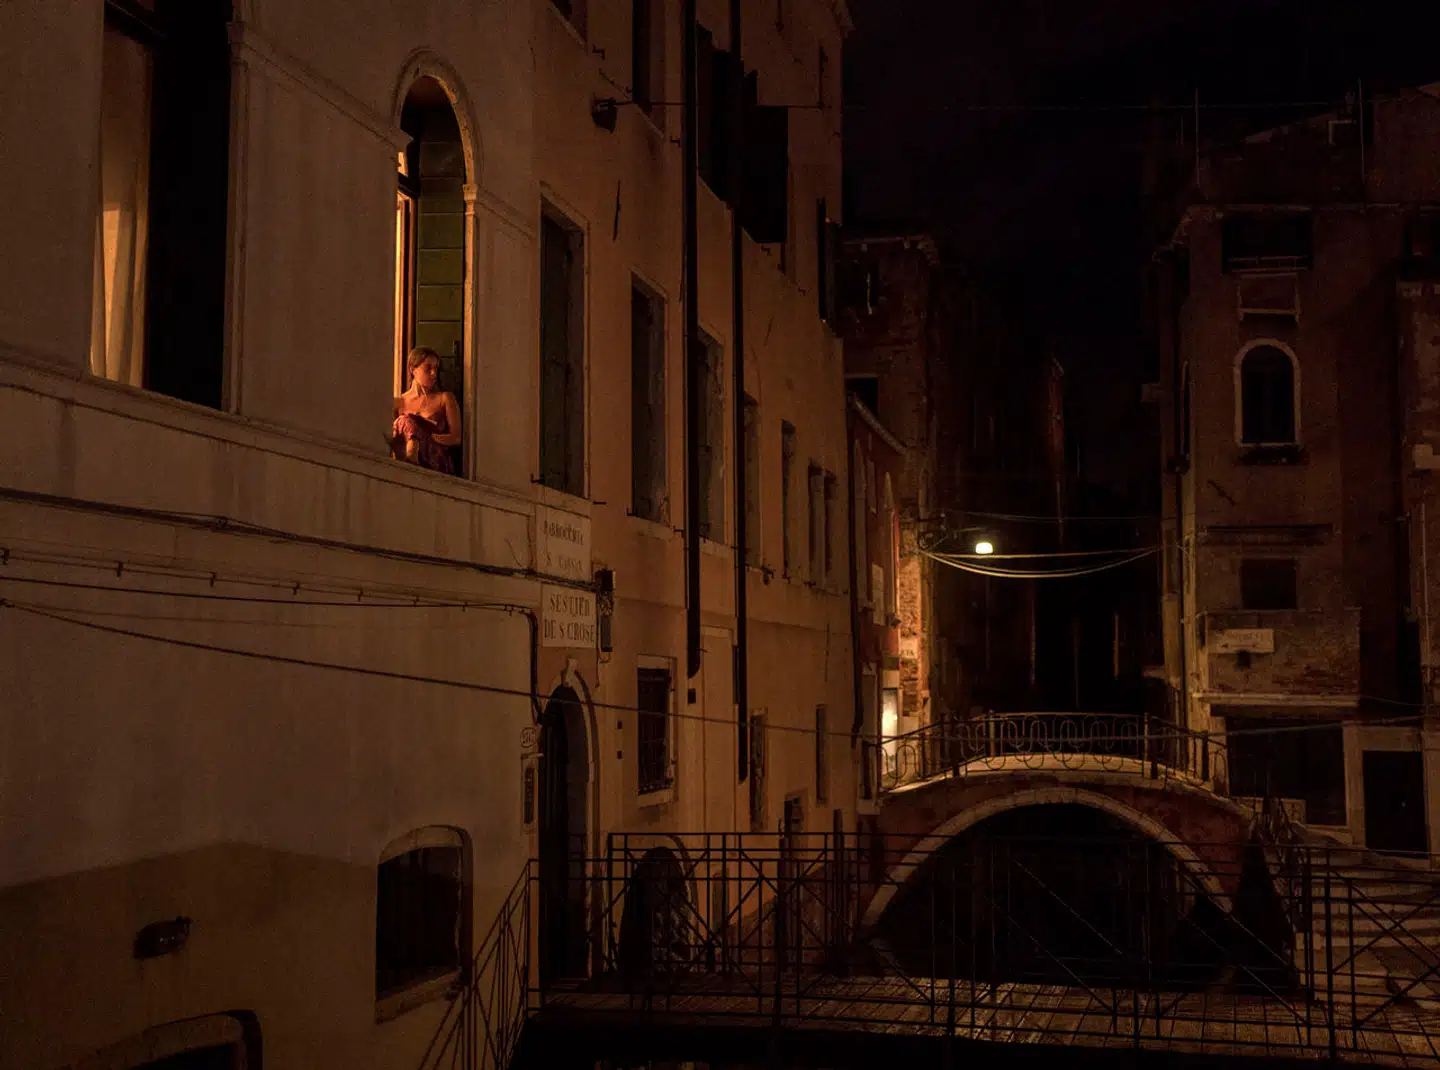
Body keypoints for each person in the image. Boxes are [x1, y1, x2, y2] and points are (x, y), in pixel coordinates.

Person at [391, 346, 461, 473]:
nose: (433, 373)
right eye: (428, 368)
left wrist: (427, 437)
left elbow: (456, 438)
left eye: (436, 369)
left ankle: (412, 455)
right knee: (403, 420)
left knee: (408, 420)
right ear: (413, 369)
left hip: (435, 458)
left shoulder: (444, 398)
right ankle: (408, 458)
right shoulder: (399, 402)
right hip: (403, 459)